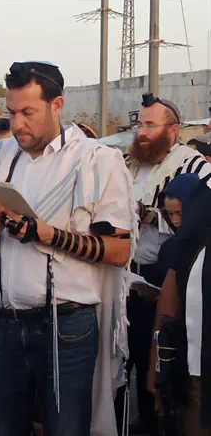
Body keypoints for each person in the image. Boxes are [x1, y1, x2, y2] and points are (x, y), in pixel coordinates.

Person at [0, 61, 134, 436]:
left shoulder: (95, 159)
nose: (17, 124)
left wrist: (50, 236)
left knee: (65, 429)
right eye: (11, 112)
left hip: (67, 325)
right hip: (3, 321)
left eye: (28, 112)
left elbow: (119, 250)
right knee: (4, 428)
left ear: (57, 105)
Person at [118, 93, 211, 435]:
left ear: (173, 130)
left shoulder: (194, 166)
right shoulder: (128, 164)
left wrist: (149, 215)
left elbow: (197, 220)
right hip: (121, 280)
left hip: (165, 280)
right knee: (117, 365)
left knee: (154, 364)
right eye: (139, 124)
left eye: (150, 125)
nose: (141, 132)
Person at [149, 174, 211, 436]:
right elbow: (168, 305)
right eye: (170, 215)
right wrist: (156, 367)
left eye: (180, 213)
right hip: (195, 364)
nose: (175, 222)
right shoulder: (186, 244)